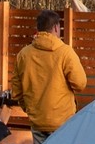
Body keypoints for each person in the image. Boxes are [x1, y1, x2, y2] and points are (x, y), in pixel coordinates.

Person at [14, 9, 88, 137]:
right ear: (55, 27)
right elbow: (80, 83)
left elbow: (16, 90)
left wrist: (28, 109)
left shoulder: (24, 54)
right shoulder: (65, 53)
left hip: (37, 121)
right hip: (63, 121)